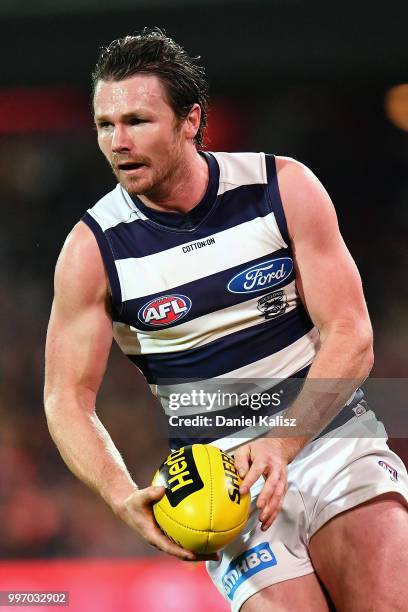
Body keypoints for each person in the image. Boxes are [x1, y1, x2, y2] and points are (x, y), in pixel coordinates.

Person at [44, 28, 408, 612]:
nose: (118, 141)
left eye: (137, 121)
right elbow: (65, 398)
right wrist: (119, 495)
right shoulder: (92, 251)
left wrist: (283, 442)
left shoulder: (281, 187)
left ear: (191, 121)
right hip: (218, 486)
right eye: (105, 125)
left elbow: (353, 336)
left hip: (331, 439)